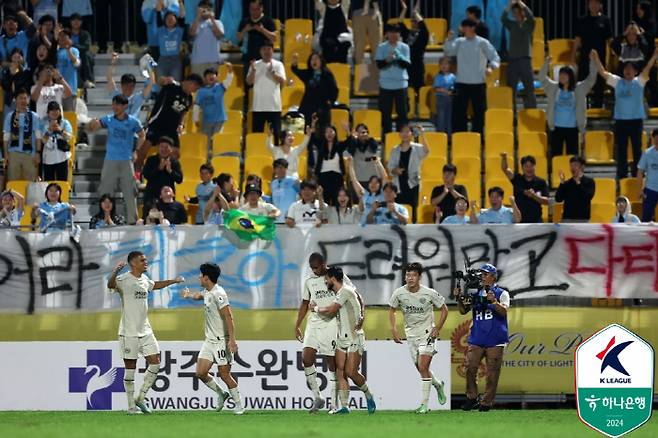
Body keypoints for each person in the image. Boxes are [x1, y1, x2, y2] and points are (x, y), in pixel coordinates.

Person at [106, 251, 185, 414]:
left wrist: (173, 281)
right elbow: (110, 285)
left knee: (155, 362)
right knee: (130, 368)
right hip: (128, 332)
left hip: (146, 330)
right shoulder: (124, 279)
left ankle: (140, 397)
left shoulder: (144, 280)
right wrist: (115, 272)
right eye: (142, 260)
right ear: (133, 263)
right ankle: (131, 407)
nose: (146, 262)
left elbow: (155, 285)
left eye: (146, 260)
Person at [180, 262, 245, 414]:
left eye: (200, 274)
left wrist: (232, 340)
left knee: (224, 374)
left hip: (222, 340)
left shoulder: (219, 293)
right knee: (200, 373)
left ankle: (239, 405)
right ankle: (222, 394)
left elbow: (229, 316)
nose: (198, 276)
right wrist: (188, 295)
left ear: (206, 277)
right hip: (209, 341)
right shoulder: (207, 291)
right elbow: (198, 295)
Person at [312, 266, 376, 414]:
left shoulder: (345, 291)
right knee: (340, 371)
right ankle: (345, 406)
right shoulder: (340, 293)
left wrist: (315, 308)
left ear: (333, 278)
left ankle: (368, 394)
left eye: (326, 279)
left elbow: (332, 310)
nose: (325, 281)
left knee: (351, 372)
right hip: (342, 337)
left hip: (355, 337)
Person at [389, 262, 448, 414]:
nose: (410, 278)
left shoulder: (429, 293)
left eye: (413, 275)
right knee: (422, 369)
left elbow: (444, 309)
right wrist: (394, 329)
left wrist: (438, 328)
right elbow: (392, 310)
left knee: (422, 367)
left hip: (427, 334)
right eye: (408, 275)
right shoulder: (399, 293)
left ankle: (424, 405)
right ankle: (438, 384)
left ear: (419, 277)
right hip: (411, 335)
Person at [591, 48, 658, 179]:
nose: (628, 71)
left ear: (635, 71)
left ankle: (637, 175)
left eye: (631, 69)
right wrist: (596, 58)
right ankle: (621, 176)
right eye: (626, 68)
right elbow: (603, 72)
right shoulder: (617, 82)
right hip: (621, 122)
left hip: (636, 121)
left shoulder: (639, 82)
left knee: (637, 151)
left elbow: (648, 68)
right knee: (621, 151)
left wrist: (655, 55)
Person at [455, 263, 510, 412]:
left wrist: (493, 301)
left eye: (485, 274)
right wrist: (459, 298)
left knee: (492, 373)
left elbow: (504, 312)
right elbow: (462, 311)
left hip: (496, 339)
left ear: (493, 276)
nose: (482, 277)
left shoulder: (501, 293)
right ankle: (472, 398)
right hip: (477, 338)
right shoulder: (476, 293)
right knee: (470, 367)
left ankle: (486, 402)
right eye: (482, 274)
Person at [294, 253, 342, 413]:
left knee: (331, 362)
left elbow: (349, 294)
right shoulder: (309, 282)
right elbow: (304, 303)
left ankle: (334, 404)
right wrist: (297, 324)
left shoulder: (335, 276)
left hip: (331, 322)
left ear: (324, 264)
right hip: (314, 322)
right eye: (312, 268)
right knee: (306, 358)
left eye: (317, 267)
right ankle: (318, 397)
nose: (314, 271)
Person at [88, 94, 145, 225]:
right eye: (113, 104)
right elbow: (94, 127)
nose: (115, 107)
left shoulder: (133, 121)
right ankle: (104, 220)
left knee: (130, 192)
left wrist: (135, 150)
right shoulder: (108, 119)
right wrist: (93, 124)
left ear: (125, 106)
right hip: (110, 159)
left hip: (126, 160)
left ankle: (132, 221)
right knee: (106, 191)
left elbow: (142, 135)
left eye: (118, 104)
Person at [444, 19, 500, 134]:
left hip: (478, 83)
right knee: (459, 112)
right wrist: (449, 39)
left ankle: (478, 137)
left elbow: (495, 58)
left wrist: (491, 67)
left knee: (479, 113)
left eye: (465, 27)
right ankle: (459, 137)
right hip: (461, 82)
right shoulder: (459, 41)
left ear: (472, 28)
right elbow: (448, 51)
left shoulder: (483, 42)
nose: (463, 29)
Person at [539, 53, 597, 157]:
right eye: (561, 74)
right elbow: (542, 78)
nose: (562, 77)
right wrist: (546, 63)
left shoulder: (579, 88)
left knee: (572, 158)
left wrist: (592, 62)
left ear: (570, 76)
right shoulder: (553, 88)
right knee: (556, 157)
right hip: (556, 128)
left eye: (565, 74)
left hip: (573, 128)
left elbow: (591, 79)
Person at [139, 73, 203, 167]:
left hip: (171, 128)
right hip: (158, 123)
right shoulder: (173, 86)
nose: (195, 91)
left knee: (176, 153)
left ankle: (166, 172)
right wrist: (164, 79)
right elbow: (160, 80)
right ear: (191, 83)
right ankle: (136, 172)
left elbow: (183, 113)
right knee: (145, 148)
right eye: (196, 88)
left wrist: (181, 124)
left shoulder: (189, 98)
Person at [571, 0, 612, 108]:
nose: (593, 5)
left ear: (600, 5)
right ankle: (581, 108)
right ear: (588, 5)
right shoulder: (582, 20)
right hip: (585, 58)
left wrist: (611, 59)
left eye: (596, 3)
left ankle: (598, 108)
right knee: (582, 84)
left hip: (600, 59)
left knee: (599, 85)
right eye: (591, 3)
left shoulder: (605, 20)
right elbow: (577, 40)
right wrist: (572, 57)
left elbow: (609, 41)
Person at [375, 24, 411, 135]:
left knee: (402, 114)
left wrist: (398, 57)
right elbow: (379, 65)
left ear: (399, 34)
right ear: (387, 34)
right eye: (391, 32)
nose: (393, 35)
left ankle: (403, 136)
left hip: (401, 85)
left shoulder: (404, 47)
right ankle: (387, 137)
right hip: (386, 85)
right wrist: (388, 60)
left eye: (396, 32)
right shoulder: (381, 47)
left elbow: (406, 65)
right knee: (385, 114)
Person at [387, 124, 430, 217]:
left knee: (413, 210)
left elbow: (427, 151)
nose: (405, 134)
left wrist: (422, 133)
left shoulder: (417, 148)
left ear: (411, 134)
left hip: (413, 184)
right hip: (398, 184)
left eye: (407, 131)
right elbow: (390, 168)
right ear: (399, 134)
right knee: (398, 210)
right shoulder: (395, 150)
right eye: (402, 131)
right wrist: (395, 170)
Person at [501, 0, 536, 109]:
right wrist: (509, 5)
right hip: (513, 61)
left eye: (518, 12)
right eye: (514, 12)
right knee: (511, 90)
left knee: (529, 89)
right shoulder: (512, 25)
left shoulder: (529, 24)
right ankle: (512, 116)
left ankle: (531, 112)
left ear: (522, 12)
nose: (516, 14)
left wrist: (521, 3)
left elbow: (531, 17)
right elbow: (503, 18)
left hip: (525, 60)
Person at [246, 42, 285, 139]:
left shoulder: (278, 64)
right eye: (264, 49)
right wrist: (253, 71)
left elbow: (282, 81)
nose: (267, 52)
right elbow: (249, 82)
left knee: (276, 136)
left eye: (269, 49)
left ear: (273, 51)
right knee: (257, 137)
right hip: (258, 107)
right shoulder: (255, 65)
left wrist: (272, 72)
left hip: (274, 107)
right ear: (260, 51)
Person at [291, 52, 338, 129]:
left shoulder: (327, 74)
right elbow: (296, 71)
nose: (314, 61)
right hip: (308, 106)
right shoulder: (308, 73)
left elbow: (334, 90)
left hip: (322, 108)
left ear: (321, 61)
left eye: (316, 59)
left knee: (322, 130)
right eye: (312, 59)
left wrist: (330, 101)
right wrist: (294, 63)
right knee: (304, 129)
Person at [3, 88, 41, 181]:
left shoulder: (34, 116)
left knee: (31, 185)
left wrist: (38, 153)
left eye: (25, 98)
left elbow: (38, 136)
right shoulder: (10, 116)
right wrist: (6, 154)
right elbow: (6, 137)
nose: (23, 100)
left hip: (30, 154)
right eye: (20, 98)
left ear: (28, 100)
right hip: (13, 154)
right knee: (13, 183)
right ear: (15, 100)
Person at [193, 64, 233, 153]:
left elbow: (228, 81)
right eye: (208, 75)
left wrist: (230, 72)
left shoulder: (220, 87)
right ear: (205, 77)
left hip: (220, 119)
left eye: (213, 74)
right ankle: (206, 159)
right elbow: (196, 105)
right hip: (207, 120)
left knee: (217, 139)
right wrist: (195, 119)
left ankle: (217, 158)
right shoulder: (201, 91)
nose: (211, 76)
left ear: (216, 76)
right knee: (206, 141)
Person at [500, 153, 549, 223]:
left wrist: (534, 196)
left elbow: (547, 201)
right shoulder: (517, 179)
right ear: (522, 167)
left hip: (536, 221)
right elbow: (505, 169)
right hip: (519, 220)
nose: (529, 169)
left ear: (535, 166)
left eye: (531, 166)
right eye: (526, 166)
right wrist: (504, 157)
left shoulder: (541, 182)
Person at [107, 52, 156, 120]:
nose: (128, 88)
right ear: (121, 85)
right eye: (126, 85)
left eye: (131, 86)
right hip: (118, 127)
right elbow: (109, 77)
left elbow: (151, 82)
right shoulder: (116, 96)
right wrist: (113, 63)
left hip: (132, 128)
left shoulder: (138, 97)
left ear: (134, 86)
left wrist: (148, 66)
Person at [142, 136, 183, 209]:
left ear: (171, 149)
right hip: (152, 197)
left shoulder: (174, 162)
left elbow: (179, 179)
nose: (164, 149)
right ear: (158, 148)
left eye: (167, 147)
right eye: (162, 147)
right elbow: (146, 175)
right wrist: (159, 168)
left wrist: (170, 171)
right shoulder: (151, 160)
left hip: (168, 199)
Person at [398, 1, 429, 94]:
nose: (413, 22)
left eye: (415, 21)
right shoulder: (407, 33)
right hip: (407, 65)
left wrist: (416, 13)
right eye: (412, 20)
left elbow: (423, 25)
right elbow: (400, 22)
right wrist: (404, 9)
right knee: (407, 90)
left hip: (417, 66)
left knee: (418, 90)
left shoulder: (423, 35)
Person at [311, 125, 346, 207]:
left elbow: (350, 141)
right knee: (324, 202)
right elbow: (312, 138)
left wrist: (347, 131)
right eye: (327, 132)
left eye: (331, 131)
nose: (329, 134)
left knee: (336, 202)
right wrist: (313, 125)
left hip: (337, 177)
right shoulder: (321, 145)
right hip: (323, 177)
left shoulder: (339, 145)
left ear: (335, 133)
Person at [554, 155, 596, 223]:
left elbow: (588, 197)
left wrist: (578, 183)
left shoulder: (589, 182)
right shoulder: (567, 183)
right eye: (571, 165)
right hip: (567, 219)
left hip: (583, 219)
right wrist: (562, 183)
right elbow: (558, 199)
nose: (572, 168)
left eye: (575, 165)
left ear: (582, 166)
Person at [237, 0, 276, 69]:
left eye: (257, 9)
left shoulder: (268, 21)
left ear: (262, 8)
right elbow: (238, 38)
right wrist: (245, 30)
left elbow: (274, 38)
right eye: (252, 9)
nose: (254, 12)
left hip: (264, 59)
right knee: (248, 79)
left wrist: (262, 30)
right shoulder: (245, 21)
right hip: (248, 58)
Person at [346, 154, 386, 221]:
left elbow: (384, 177)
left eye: (376, 183)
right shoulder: (364, 194)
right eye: (371, 182)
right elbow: (354, 180)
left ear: (380, 185)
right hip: (365, 225)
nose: (373, 184)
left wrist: (378, 163)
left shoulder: (383, 193)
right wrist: (351, 165)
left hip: (379, 224)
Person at [189, 0, 224, 75]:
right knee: (198, 86)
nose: (205, 11)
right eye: (203, 9)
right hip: (197, 61)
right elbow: (192, 34)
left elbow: (219, 35)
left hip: (213, 61)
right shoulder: (194, 23)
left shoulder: (218, 23)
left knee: (212, 86)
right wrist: (198, 16)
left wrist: (212, 19)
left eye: (208, 9)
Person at [40, 100, 73, 181]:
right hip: (48, 159)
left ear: (59, 111)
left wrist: (60, 130)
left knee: (62, 183)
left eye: (56, 109)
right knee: (48, 183)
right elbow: (43, 141)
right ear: (48, 112)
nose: (54, 112)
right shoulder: (43, 123)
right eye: (52, 110)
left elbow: (69, 137)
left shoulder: (65, 123)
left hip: (62, 157)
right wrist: (49, 131)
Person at [634, 1, 658, 107]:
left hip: (649, 57)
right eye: (637, 9)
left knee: (652, 83)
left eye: (640, 9)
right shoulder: (636, 23)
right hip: (638, 57)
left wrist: (642, 34)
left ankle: (654, 107)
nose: (638, 11)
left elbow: (651, 36)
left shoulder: (651, 23)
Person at [343, 123, 380, 189]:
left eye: (363, 132)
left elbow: (374, 149)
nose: (361, 134)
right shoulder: (354, 143)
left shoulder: (371, 142)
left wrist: (368, 138)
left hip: (370, 180)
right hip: (356, 180)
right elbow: (350, 151)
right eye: (359, 132)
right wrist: (352, 137)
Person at [155, 3, 186, 81]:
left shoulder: (179, 31)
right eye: (167, 19)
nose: (169, 20)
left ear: (176, 20)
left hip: (175, 60)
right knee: (161, 82)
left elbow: (182, 16)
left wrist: (180, 3)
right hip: (162, 60)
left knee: (175, 82)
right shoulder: (161, 30)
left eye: (172, 19)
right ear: (164, 21)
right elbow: (158, 13)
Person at [55, 29, 80, 111]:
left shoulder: (74, 50)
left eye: (64, 36)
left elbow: (77, 64)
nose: (62, 38)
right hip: (56, 91)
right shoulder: (55, 51)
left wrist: (68, 50)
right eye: (60, 36)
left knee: (69, 116)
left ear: (69, 38)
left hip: (70, 90)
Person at [1, 48, 33, 112]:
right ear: (11, 58)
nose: (16, 59)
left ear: (22, 58)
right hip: (10, 103)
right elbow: (5, 87)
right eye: (14, 57)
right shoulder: (6, 72)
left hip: (24, 102)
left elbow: (27, 86)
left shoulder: (27, 72)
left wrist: (20, 71)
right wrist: (11, 74)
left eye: (19, 57)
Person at [351, 0, 382, 65]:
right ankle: (359, 70)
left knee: (375, 43)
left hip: (373, 12)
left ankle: (378, 69)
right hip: (359, 11)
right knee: (360, 44)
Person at [270, 158, 299, 225]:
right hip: (276, 218)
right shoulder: (273, 183)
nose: (281, 169)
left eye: (283, 167)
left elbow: (302, 195)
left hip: (290, 217)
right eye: (278, 167)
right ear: (274, 169)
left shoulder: (294, 181)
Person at [638, 128, 658, 222]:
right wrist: (639, 189)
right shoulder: (647, 153)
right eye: (656, 139)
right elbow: (640, 171)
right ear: (653, 139)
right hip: (650, 190)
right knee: (646, 218)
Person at [69, 13, 94, 89]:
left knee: (85, 54)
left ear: (81, 22)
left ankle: (87, 80)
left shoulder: (85, 34)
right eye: (74, 20)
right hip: (68, 54)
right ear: (70, 22)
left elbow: (86, 46)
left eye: (78, 20)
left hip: (81, 55)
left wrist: (72, 45)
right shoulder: (66, 33)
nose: (76, 22)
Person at [433, 57, 455, 137]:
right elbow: (436, 88)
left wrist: (451, 92)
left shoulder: (452, 76)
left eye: (446, 64)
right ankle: (441, 135)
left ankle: (449, 136)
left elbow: (454, 88)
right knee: (441, 118)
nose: (444, 66)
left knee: (449, 118)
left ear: (449, 65)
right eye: (442, 64)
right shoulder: (438, 76)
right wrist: (446, 91)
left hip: (450, 99)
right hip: (441, 99)